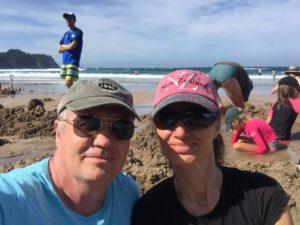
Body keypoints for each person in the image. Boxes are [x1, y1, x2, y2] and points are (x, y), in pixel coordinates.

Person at [131, 69, 293, 225]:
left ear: (217, 126)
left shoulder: (265, 197)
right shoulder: (147, 212)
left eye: (196, 117)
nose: (180, 132)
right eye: (167, 118)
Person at [0, 78, 140, 224]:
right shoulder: (10, 199)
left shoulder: (128, 194)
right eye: (87, 124)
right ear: (58, 133)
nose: (104, 141)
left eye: (122, 128)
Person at [209, 61, 253, 131]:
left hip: (213, 71)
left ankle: (214, 126)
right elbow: (240, 103)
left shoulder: (243, 77)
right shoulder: (247, 87)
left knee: (219, 105)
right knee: (240, 106)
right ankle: (230, 126)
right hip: (227, 72)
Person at [267, 76, 300, 142]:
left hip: (268, 136)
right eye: (298, 89)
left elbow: (266, 124)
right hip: (281, 140)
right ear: (293, 90)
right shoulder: (296, 102)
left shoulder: (276, 104)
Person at [58, 12, 83, 88]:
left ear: (74, 20)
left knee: (68, 83)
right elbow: (59, 50)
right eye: (66, 18)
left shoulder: (78, 32)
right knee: (68, 84)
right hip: (65, 61)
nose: (68, 20)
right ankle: (74, 97)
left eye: (70, 18)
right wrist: (67, 46)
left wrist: (64, 47)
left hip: (73, 61)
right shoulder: (66, 34)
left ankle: (75, 97)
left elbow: (72, 46)